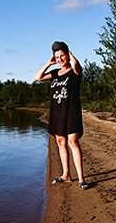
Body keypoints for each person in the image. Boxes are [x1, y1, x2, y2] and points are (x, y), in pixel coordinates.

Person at [34, 41, 89, 189]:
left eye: (62, 55)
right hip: (57, 113)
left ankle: (82, 179)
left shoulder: (74, 71)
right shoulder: (54, 73)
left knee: (73, 142)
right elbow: (37, 77)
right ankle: (66, 175)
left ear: (67, 55)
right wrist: (49, 64)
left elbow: (77, 65)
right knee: (60, 142)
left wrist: (70, 54)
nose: (60, 59)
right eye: (57, 57)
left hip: (71, 112)